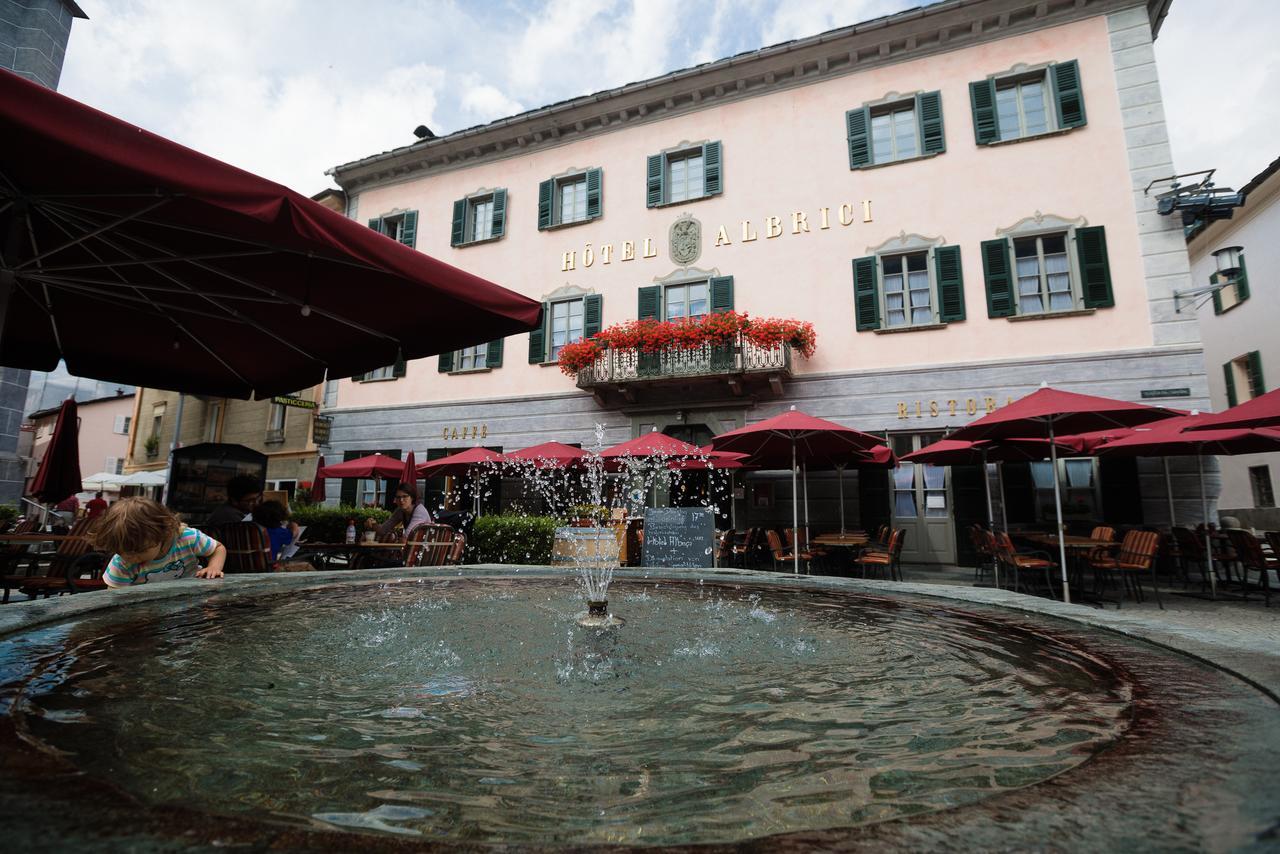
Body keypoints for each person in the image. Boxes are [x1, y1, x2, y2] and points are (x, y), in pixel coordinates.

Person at [91, 497, 226, 588]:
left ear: (163, 533)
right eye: (121, 551)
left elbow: (218, 548)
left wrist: (214, 567)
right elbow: (114, 595)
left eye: (139, 551)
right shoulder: (122, 562)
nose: (130, 557)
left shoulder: (186, 538)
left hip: (190, 596)